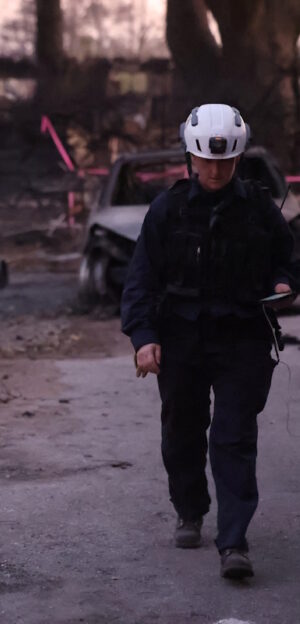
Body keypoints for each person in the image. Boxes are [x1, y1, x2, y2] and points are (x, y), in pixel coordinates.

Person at [121, 103, 296, 579]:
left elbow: (290, 258)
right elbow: (140, 281)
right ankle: (190, 509)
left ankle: (234, 542)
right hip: (180, 339)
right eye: (206, 160)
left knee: (234, 436)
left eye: (225, 161)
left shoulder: (260, 209)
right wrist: (143, 337)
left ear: (238, 159)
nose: (215, 170)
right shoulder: (168, 210)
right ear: (191, 159)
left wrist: (284, 283)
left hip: (242, 337)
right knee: (182, 430)